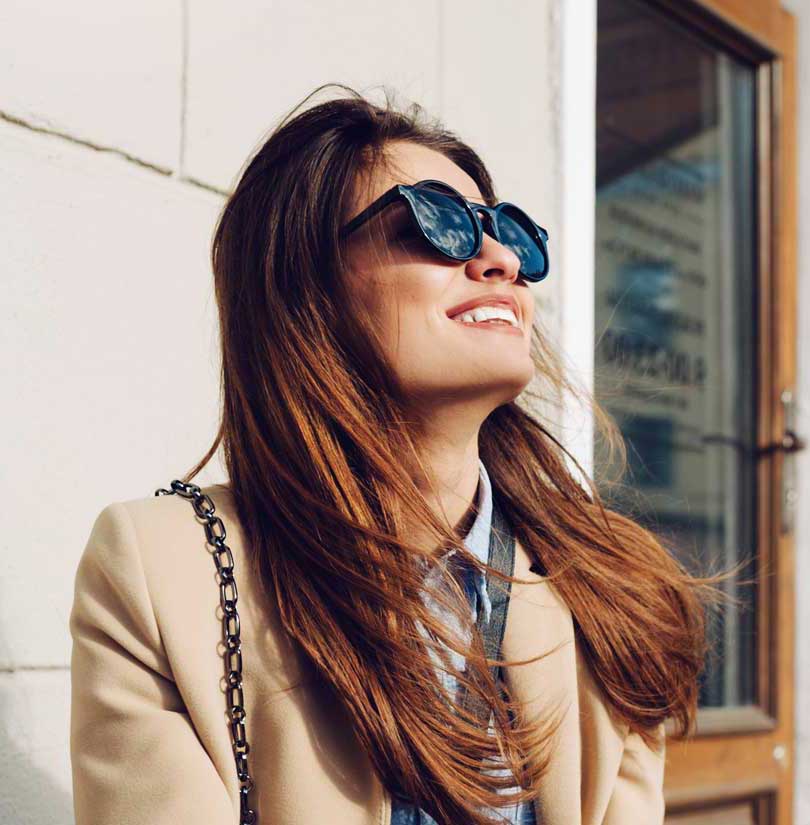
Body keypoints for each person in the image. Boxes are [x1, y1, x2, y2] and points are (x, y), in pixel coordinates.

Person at [68, 90, 714, 825]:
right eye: (437, 223)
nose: (500, 260)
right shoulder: (166, 571)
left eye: (511, 233)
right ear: (305, 288)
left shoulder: (610, 591)